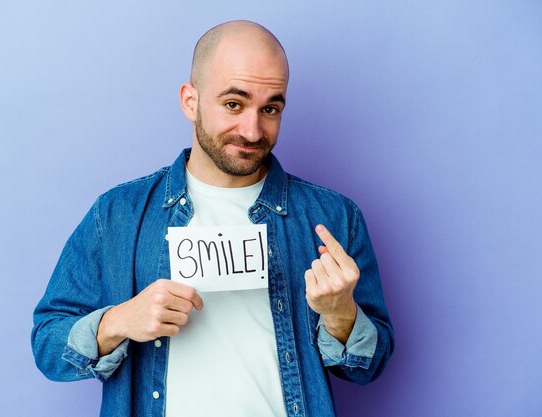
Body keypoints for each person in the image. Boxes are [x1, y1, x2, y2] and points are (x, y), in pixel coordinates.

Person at [32, 20, 394, 417]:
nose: (253, 130)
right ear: (191, 101)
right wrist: (118, 321)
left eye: (270, 108)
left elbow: (368, 368)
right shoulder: (118, 214)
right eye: (234, 104)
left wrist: (340, 312)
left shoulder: (335, 218)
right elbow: (49, 348)